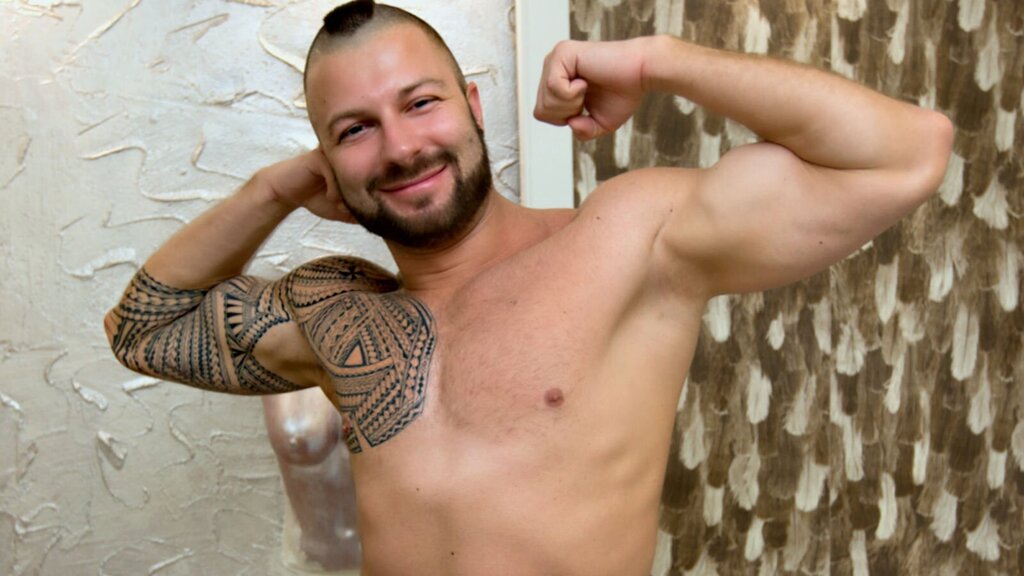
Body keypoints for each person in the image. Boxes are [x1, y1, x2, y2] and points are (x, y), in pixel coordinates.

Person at [103, 0, 953, 574]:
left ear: (473, 105)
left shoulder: (626, 238)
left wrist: (654, 60)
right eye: (355, 129)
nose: (400, 148)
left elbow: (906, 154)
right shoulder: (339, 312)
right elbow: (143, 329)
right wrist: (274, 189)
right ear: (327, 157)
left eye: (421, 103)